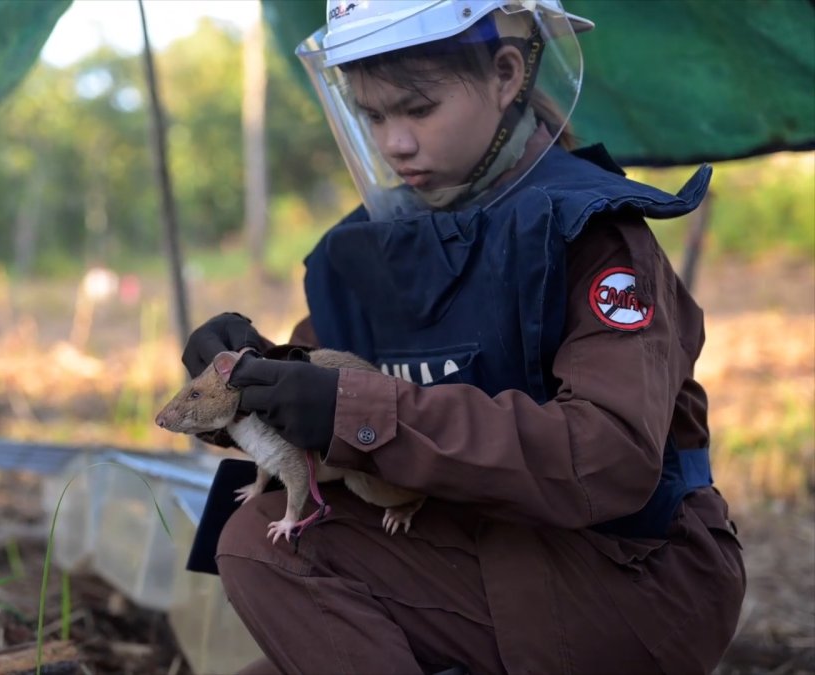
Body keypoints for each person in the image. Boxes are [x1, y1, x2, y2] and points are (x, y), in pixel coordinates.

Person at [179, 1, 745, 674]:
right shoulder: (369, 249)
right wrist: (247, 381)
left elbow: (609, 456)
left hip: (627, 570)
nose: (395, 143)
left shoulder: (590, 233)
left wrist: (360, 415)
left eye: (417, 109)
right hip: (465, 544)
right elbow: (318, 402)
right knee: (265, 548)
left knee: (258, 544)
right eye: (373, 116)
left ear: (507, 74)